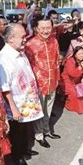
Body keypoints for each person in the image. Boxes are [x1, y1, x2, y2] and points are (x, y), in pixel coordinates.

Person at [0, 24, 43, 165]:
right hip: (16, 104)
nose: (25, 39)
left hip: (27, 100)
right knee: (17, 133)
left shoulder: (20, 52)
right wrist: (13, 108)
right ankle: (18, 156)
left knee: (26, 129)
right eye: (22, 37)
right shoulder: (3, 59)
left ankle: (25, 150)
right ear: (10, 39)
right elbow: (4, 88)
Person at [25, 16, 61, 148]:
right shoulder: (30, 44)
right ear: (36, 28)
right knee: (39, 111)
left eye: (48, 28)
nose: (46, 31)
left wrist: (57, 79)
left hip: (52, 81)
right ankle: (39, 135)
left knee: (49, 109)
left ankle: (47, 130)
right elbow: (27, 67)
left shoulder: (54, 41)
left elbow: (57, 61)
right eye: (43, 28)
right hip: (38, 84)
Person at [60, 46, 83, 114]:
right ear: (75, 54)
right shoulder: (70, 61)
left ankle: (77, 107)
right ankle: (69, 105)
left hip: (76, 81)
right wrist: (80, 68)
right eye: (79, 54)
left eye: (82, 53)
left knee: (80, 93)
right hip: (66, 80)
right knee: (74, 93)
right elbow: (72, 74)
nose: (81, 55)